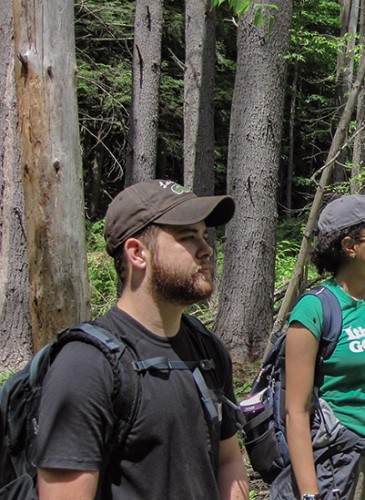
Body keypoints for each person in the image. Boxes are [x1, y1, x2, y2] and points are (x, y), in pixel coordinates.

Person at [34, 180, 250, 500]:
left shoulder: (208, 350)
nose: (206, 249)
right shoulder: (85, 367)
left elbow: (228, 459)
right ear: (137, 253)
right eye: (187, 237)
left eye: (204, 236)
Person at [277, 194, 365, 500]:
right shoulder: (314, 310)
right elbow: (296, 412)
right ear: (349, 246)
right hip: (336, 461)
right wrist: (310, 494)